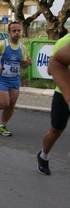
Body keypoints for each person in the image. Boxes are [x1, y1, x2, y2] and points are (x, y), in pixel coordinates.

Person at [0, 21, 32, 136]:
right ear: (9, 32)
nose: (17, 33)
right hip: (2, 79)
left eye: (18, 31)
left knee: (11, 105)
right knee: (4, 103)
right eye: (14, 31)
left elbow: (22, 65)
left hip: (14, 79)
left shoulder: (22, 48)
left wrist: (27, 63)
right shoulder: (3, 45)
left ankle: (2, 126)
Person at [36, 34, 70, 175]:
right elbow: (52, 68)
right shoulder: (64, 41)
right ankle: (43, 155)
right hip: (63, 93)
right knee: (56, 131)